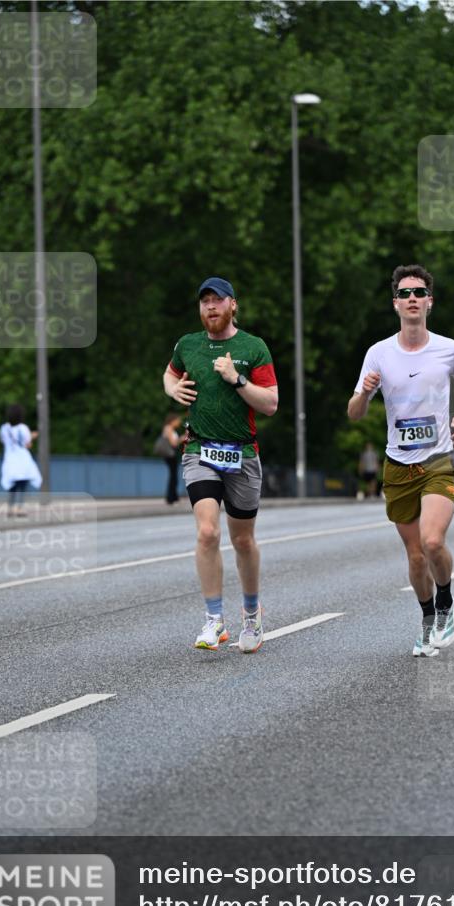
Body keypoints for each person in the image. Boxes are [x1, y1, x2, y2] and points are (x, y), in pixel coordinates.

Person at [348, 264, 454, 657]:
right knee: (416, 554)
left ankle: (446, 605)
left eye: (419, 292)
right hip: (398, 465)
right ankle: (426, 618)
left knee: (433, 540)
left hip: (438, 458)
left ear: (429, 302)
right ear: (395, 304)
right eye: (405, 293)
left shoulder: (450, 349)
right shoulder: (378, 354)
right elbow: (354, 412)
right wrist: (365, 394)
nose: (412, 299)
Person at [163, 277, 278, 652]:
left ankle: (251, 614)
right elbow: (170, 372)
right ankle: (214, 620)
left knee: (242, 539)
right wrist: (171, 388)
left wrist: (236, 378)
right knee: (208, 532)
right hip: (199, 450)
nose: (210, 307)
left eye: (217, 300)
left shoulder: (253, 347)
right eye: (204, 301)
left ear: (233, 305)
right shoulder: (187, 345)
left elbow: (270, 403)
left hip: (242, 454)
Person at [0, 404, 42, 515]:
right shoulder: (23, 428)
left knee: (12, 484)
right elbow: (27, 444)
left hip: (10, 459)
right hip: (22, 460)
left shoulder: (4, 428)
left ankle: (10, 507)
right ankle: (19, 507)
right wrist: (32, 436)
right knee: (22, 483)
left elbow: (4, 441)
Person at [154, 413, 186, 504]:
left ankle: (173, 497)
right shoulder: (168, 428)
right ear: (173, 420)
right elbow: (174, 443)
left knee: (174, 476)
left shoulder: (169, 428)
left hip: (171, 455)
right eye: (178, 420)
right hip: (170, 455)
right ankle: (170, 498)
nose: (179, 423)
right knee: (173, 477)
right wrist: (182, 438)